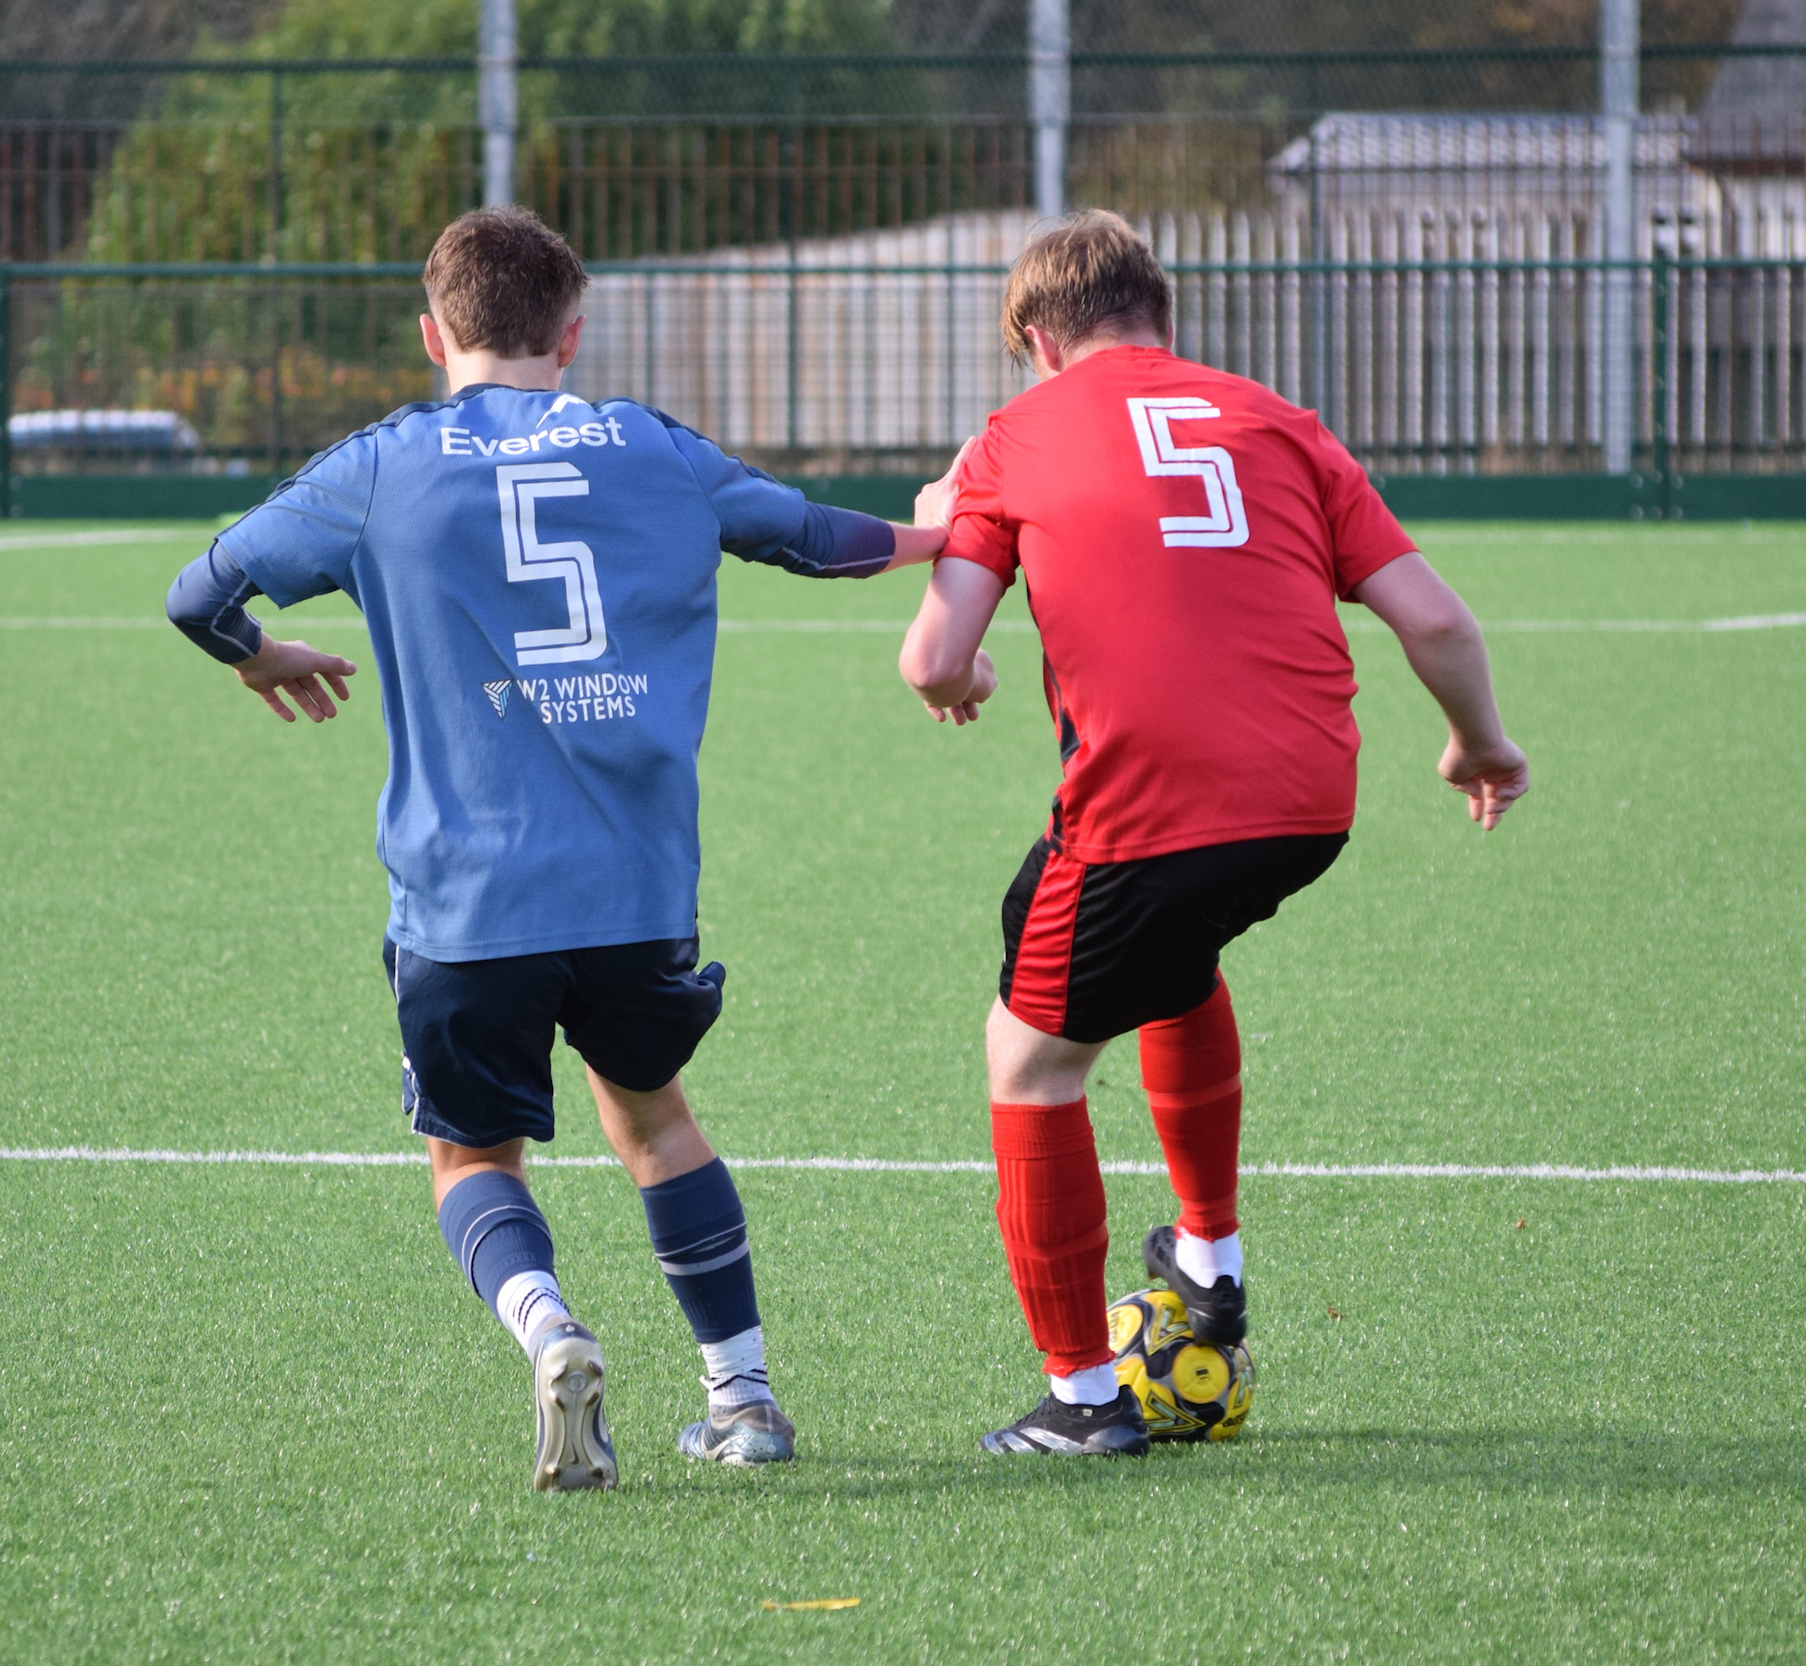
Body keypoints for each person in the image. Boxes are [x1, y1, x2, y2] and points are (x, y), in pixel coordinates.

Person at [165, 207, 947, 1490]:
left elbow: (199, 598)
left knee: (470, 1157)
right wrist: (946, 531)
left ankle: (549, 1327)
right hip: (636, 889)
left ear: (432, 335)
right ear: (571, 335)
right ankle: (744, 1400)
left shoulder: (378, 466)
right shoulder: (651, 446)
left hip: (464, 901)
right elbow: (821, 540)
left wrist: (267, 657)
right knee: (655, 1121)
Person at [898, 210, 1530, 1456]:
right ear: (1162, 316)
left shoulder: (1009, 438)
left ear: (1034, 338)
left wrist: (949, 667)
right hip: (1308, 801)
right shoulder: (1276, 417)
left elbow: (933, 652)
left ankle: (1080, 1401)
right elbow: (1439, 623)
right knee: (1173, 961)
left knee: (1028, 1060)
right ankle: (1207, 1256)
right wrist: (1478, 744)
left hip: (1149, 809)